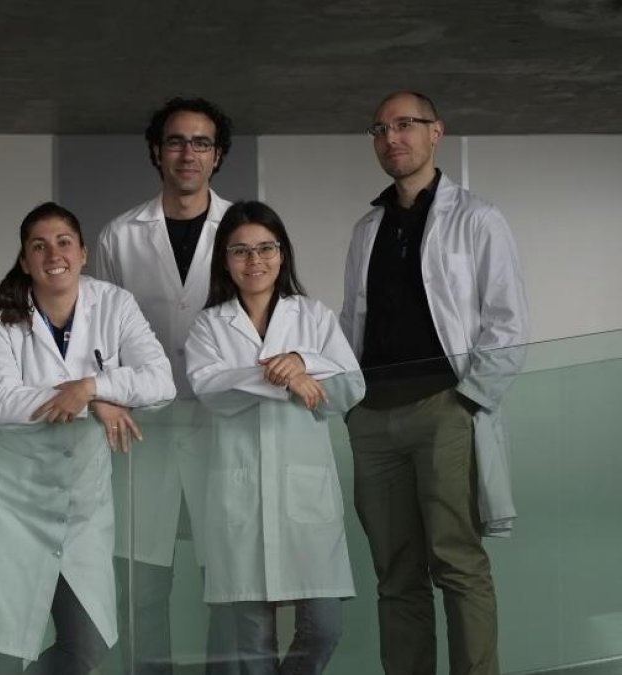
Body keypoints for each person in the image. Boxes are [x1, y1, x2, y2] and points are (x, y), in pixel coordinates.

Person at [340, 91, 529, 675]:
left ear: (436, 132)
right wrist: (349, 403)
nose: (391, 138)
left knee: (457, 564)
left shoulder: (477, 217)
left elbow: (508, 322)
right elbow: (353, 323)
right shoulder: (367, 226)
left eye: (405, 125)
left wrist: (467, 401)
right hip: (373, 420)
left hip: (444, 409)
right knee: (395, 576)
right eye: (379, 129)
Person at [0, 202, 176, 674]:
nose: (52, 253)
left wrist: (93, 387)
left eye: (63, 242)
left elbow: (161, 381)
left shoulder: (114, 303)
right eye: (39, 245)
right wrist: (90, 402)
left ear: (83, 253)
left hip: (82, 501)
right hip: (3, 498)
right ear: (24, 259)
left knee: (89, 641)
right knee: (4, 646)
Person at [185, 200, 364, 675]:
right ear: (225, 260)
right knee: (253, 645)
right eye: (240, 251)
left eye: (266, 248)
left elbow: (350, 387)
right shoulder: (209, 325)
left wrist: (304, 362)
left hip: (303, 495)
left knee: (323, 628)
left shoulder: (313, 318)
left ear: (282, 254)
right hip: (238, 499)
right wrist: (284, 377)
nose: (254, 260)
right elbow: (209, 388)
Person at [95, 96, 234, 673]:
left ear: (217, 156)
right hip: (142, 431)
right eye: (176, 141)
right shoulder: (120, 236)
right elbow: (97, 334)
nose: (188, 153)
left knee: (227, 581)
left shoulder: (244, 229)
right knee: (142, 584)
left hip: (222, 427)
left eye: (201, 142)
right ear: (157, 152)